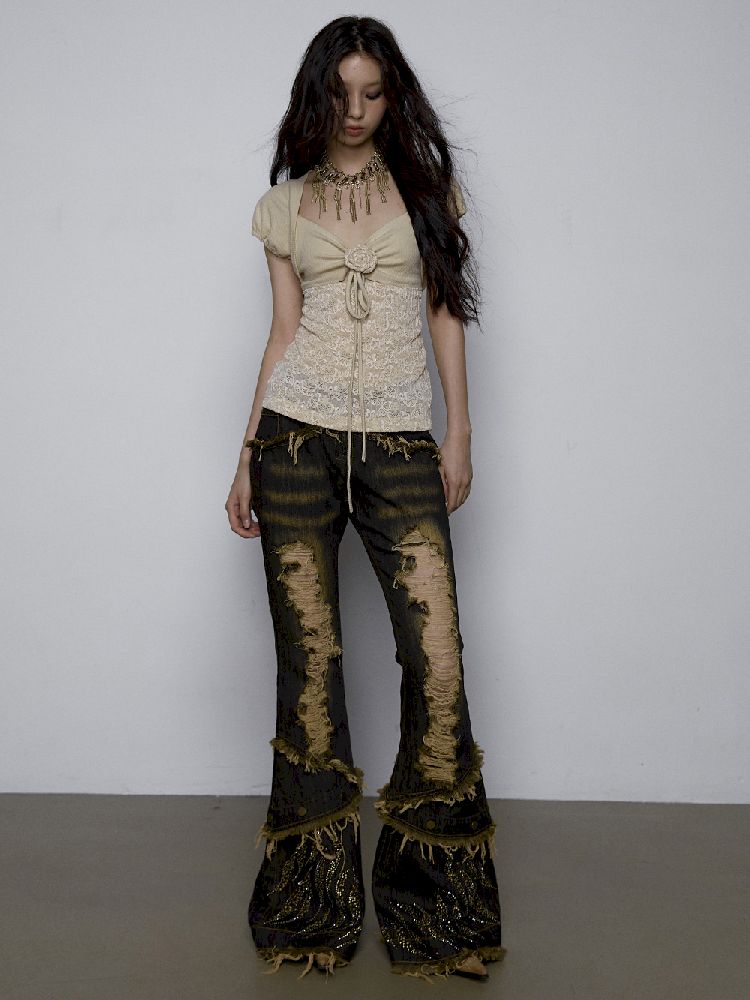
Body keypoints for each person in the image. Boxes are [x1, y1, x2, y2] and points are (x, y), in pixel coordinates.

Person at [225, 15, 507, 982]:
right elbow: (282, 335)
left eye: (373, 92)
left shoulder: (426, 193)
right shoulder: (283, 205)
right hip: (295, 446)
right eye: (340, 93)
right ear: (317, 96)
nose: (355, 111)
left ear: (394, 96)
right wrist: (246, 456)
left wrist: (457, 432)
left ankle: (441, 919)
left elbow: (445, 310)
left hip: (398, 446)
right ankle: (313, 913)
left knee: (438, 666)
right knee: (310, 675)